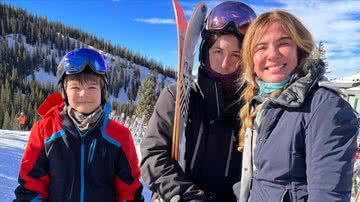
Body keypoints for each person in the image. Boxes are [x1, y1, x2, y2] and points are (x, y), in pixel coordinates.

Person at [237, 10, 359, 202]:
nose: (272, 55)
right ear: (251, 60)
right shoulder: (264, 105)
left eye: (283, 43)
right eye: (261, 47)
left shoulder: (324, 108)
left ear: (299, 49)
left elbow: (328, 196)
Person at [140, 1, 256, 201]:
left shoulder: (251, 110)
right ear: (205, 53)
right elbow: (153, 157)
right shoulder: (175, 97)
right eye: (218, 51)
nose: (225, 63)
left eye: (236, 55)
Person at [14, 48, 144, 202]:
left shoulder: (120, 136)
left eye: (92, 87)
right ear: (64, 92)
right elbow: (31, 187)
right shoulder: (45, 131)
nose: (84, 94)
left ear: (102, 92)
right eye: (75, 87)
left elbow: (129, 192)